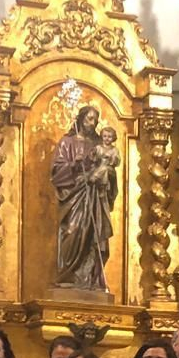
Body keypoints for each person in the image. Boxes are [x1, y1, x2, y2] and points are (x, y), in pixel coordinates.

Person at [52, 104, 117, 292]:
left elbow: (111, 170)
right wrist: (73, 164)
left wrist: (104, 175)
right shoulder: (67, 142)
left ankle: (90, 278)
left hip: (96, 196)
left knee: (94, 238)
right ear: (80, 119)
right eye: (89, 119)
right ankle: (68, 275)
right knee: (73, 230)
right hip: (75, 196)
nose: (93, 123)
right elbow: (56, 172)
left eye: (95, 120)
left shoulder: (99, 144)